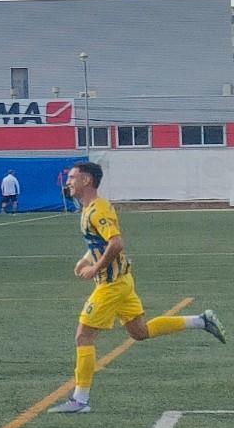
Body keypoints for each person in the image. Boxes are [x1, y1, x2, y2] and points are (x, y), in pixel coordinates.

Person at [48, 162, 226, 414]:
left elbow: (116, 243)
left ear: (87, 180)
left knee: (83, 336)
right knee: (139, 332)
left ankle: (80, 400)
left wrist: (95, 267)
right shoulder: (89, 208)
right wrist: (86, 259)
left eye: (72, 177)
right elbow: (99, 241)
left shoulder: (97, 209)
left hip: (111, 285)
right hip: (122, 282)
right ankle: (201, 321)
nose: (68, 182)